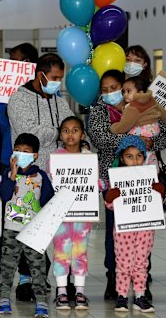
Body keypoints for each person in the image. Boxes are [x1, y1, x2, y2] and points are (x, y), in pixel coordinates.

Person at [88, 69, 166, 301]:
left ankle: (142, 279)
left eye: (114, 88)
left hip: (145, 179)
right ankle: (114, 278)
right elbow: (100, 138)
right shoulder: (100, 110)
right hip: (114, 180)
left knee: (144, 229)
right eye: (105, 90)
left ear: (124, 87)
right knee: (115, 233)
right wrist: (135, 140)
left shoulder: (145, 104)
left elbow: (162, 135)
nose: (110, 93)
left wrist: (149, 140)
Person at [0, 42, 39, 293]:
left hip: (36, 166)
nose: (10, 64)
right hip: (9, 163)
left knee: (33, 220)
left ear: (27, 64)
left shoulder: (43, 92)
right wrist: (3, 98)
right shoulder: (2, 95)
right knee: (8, 221)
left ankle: (32, 274)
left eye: (15, 60)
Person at [0, 133, 54, 317]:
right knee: (7, 265)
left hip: (33, 232)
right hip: (11, 229)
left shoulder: (41, 176)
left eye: (26, 151)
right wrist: (12, 176)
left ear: (35, 155)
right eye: (18, 150)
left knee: (37, 268)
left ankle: (41, 301)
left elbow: (48, 201)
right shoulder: (7, 174)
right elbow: (4, 196)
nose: (21, 154)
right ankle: (4, 297)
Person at [105, 135, 163, 313]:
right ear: (122, 158)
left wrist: (159, 192)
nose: (135, 160)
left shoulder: (150, 178)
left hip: (145, 229)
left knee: (141, 262)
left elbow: (158, 201)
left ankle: (140, 295)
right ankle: (121, 295)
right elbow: (110, 205)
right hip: (124, 230)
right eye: (130, 156)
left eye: (139, 155)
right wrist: (111, 196)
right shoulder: (117, 179)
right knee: (123, 263)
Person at [50, 116, 94, 310]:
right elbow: (51, 182)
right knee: (61, 252)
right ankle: (61, 292)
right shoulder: (55, 158)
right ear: (60, 134)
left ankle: (80, 291)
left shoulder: (88, 158)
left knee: (80, 252)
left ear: (82, 134)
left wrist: (102, 185)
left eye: (75, 130)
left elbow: (94, 184)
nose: (70, 134)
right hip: (60, 216)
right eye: (66, 130)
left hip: (82, 216)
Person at [8, 53, 74, 169]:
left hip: (62, 171)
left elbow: (74, 127)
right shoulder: (18, 99)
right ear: (40, 75)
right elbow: (29, 133)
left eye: (60, 79)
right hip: (31, 173)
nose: (58, 83)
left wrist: (83, 143)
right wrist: (60, 133)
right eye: (54, 78)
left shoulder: (61, 102)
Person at [110, 76, 166, 166]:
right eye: (123, 91)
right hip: (153, 131)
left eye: (128, 91)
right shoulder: (151, 100)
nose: (125, 94)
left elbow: (124, 126)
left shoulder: (132, 107)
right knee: (148, 154)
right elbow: (163, 114)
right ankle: (152, 165)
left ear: (140, 92)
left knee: (134, 149)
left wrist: (114, 128)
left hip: (140, 132)